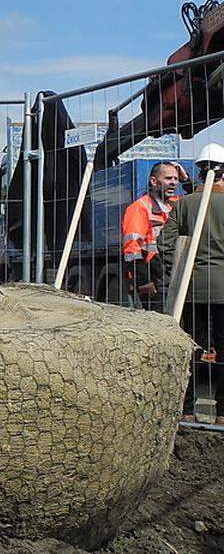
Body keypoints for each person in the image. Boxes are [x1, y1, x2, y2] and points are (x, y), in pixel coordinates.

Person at [158, 144, 224, 424]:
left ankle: (186, 409)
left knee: (191, 348)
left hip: (192, 288)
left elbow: (164, 243)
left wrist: (184, 266)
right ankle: (222, 413)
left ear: (199, 172)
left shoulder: (184, 204)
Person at [122, 161, 190, 309]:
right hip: (154, 278)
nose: (173, 183)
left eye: (176, 179)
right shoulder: (139, 207)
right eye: (168, 178)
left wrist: (187, 181)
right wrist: (143, 281)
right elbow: (132, 250)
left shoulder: (175, 204)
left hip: (173, 273)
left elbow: (197, 199)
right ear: (153, 181)